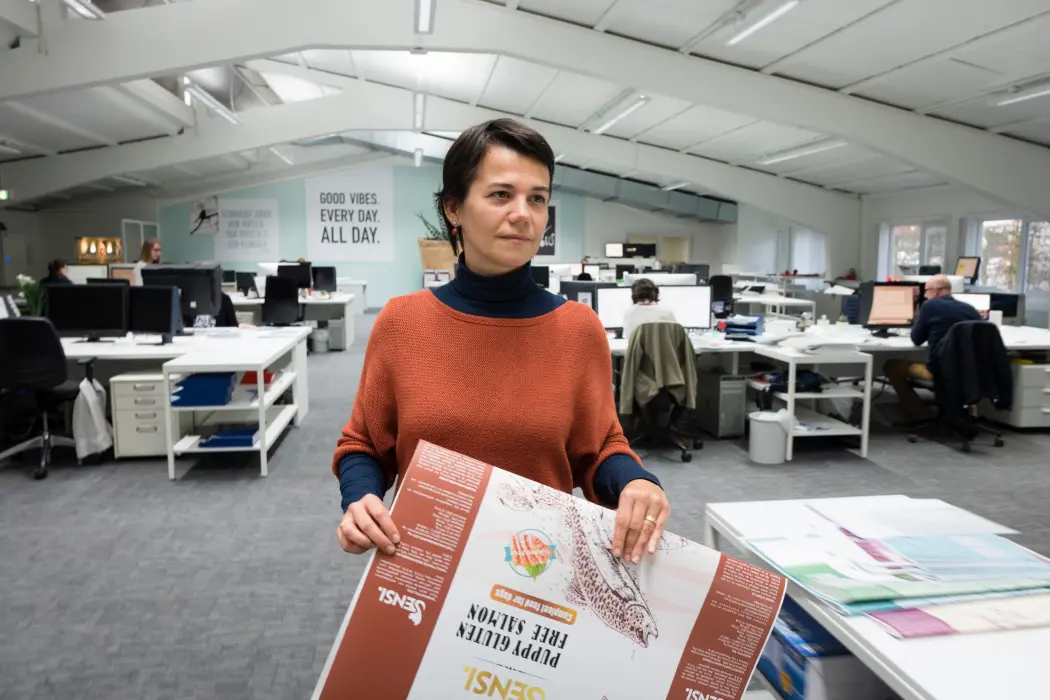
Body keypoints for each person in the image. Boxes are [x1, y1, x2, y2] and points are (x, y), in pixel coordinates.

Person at [333, 118, 669, 564]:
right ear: (454, 208)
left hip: (537, 571)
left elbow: (598, 449)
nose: (522, 214)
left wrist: (636, 482)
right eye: (500, 195)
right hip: (426, 565)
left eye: (538, 199)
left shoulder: (578, 329)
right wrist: (360, 499)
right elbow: (365, 446)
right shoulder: (402, 323)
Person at [884, 274, 981, 421]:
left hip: (940, 370)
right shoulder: (970, 309)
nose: (925, 295)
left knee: (891, 366)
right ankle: (968, 412)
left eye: (926, 291)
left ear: (936, 290)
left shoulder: (930, 306)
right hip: (971, 370)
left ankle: (920, 412)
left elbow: (916, 339)